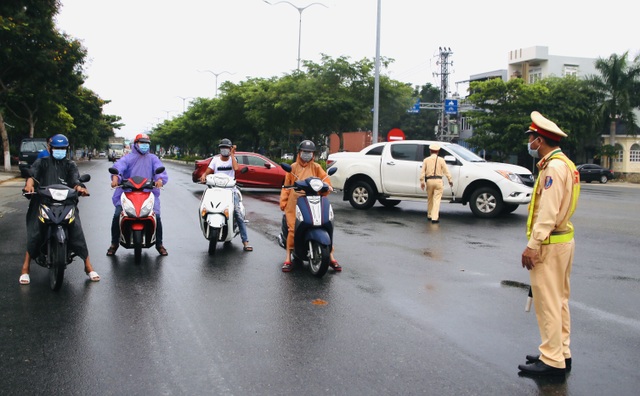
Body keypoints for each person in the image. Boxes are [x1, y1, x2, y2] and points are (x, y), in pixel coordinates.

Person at [518, 111, 580, 376]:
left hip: (550, 244)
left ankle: (551, 360)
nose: (530, 143)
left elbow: (548, 212)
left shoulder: (553, 168)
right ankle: (559, 352)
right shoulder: (565, 163)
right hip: (563, 240)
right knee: (560, 300)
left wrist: (533, 245)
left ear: (540, 140)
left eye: (531, 138)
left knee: (548, 303)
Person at [19, 134, 100, 284]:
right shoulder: (42, 162)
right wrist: (29, 185)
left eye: (62, 148)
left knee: (77, 229)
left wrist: (81, 188)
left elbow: (75, 181)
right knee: (35, 230)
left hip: (66, 203)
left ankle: (88, 266)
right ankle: (25, 268)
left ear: (66, 149)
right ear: (50, 148)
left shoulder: (70, 165)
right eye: (57, 148)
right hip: (43, 201)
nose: (59, 151)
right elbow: (32, 175)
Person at [279, 140, 341, 272]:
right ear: (299, 152)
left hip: (314, 198)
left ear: (313, 154)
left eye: (309, 152)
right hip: (295, 201)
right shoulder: (293, 167)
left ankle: (330, 256)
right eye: (304, 152)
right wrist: (283, 201)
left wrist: (328, 186)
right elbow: (286, 186)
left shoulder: (316, 167)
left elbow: (325, 179)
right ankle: (288, 258)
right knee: (292, 229)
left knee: (325, 224)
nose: (307, 154)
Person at [107, 133, 169, 256]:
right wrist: (115, 178)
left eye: (146, 143)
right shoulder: (127, 158)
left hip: (147, 192)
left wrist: (159, 180)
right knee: (116, 215)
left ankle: (159, 244)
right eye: (142, 143)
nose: (144, 145)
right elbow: (118, 168)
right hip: (127, 192)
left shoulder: (153, 158)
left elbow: (159, 171)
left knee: (157, 217)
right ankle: (114, 243)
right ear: (136, 144)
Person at [199, 138, 253, 252]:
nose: (224, 150)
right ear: (220, 149)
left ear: (230, 149)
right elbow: (208, 171)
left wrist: (233, 155)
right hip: (215, 189)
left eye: (227, 148)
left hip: (230, 190)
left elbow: (236, 168)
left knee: (238, 213)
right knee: (205, 207)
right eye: (222, 148)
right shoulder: (215, 160)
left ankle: (245, 241)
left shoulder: (233, 159)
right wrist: (204, 175)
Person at [419, 143, 453, 224]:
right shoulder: (441, 160)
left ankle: (429, 214)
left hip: (429, 181)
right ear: (438, 151)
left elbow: (422, 172)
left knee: (430, 198)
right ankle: (435, 217)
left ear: (430, 151)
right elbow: (446, 171)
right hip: (438, 181)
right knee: (436, 200)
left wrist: (422, 182)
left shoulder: (426, 160)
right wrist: (450, 180)